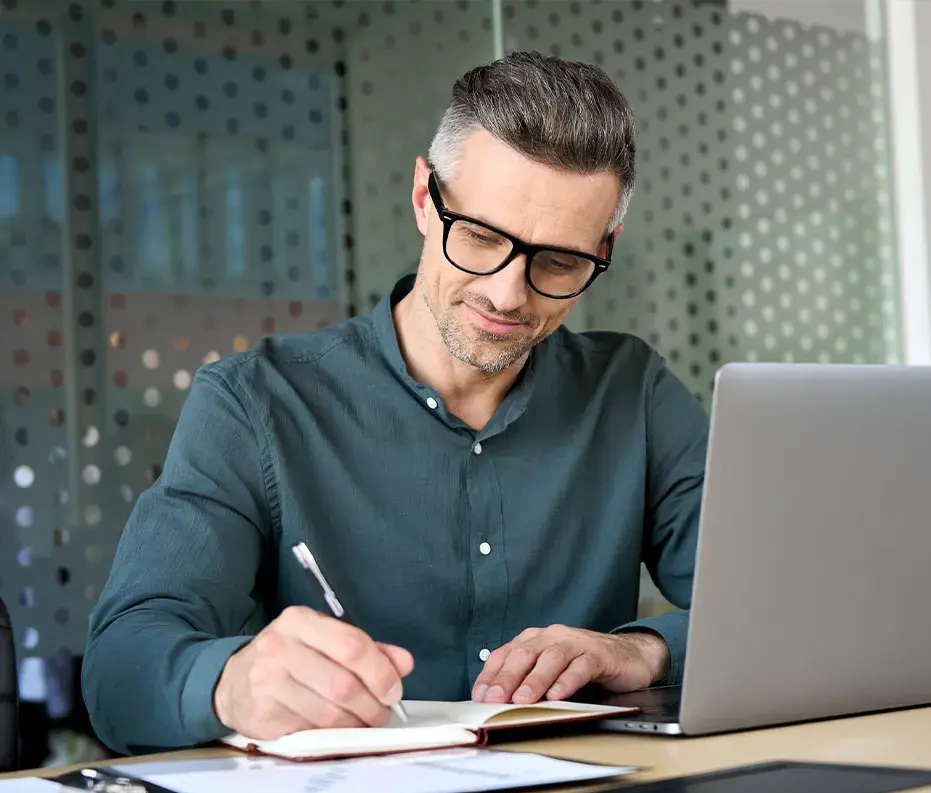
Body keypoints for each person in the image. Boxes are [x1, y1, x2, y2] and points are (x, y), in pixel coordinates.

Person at [81, 51, 709, 756]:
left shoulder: (634, 394)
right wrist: (229, 682)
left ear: (605, 247)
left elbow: (778, 616)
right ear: (423, 196)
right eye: (480, 236)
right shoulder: (255, 404)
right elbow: (119, 669)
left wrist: (646, 649)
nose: (507, 294)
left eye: (559, 262)